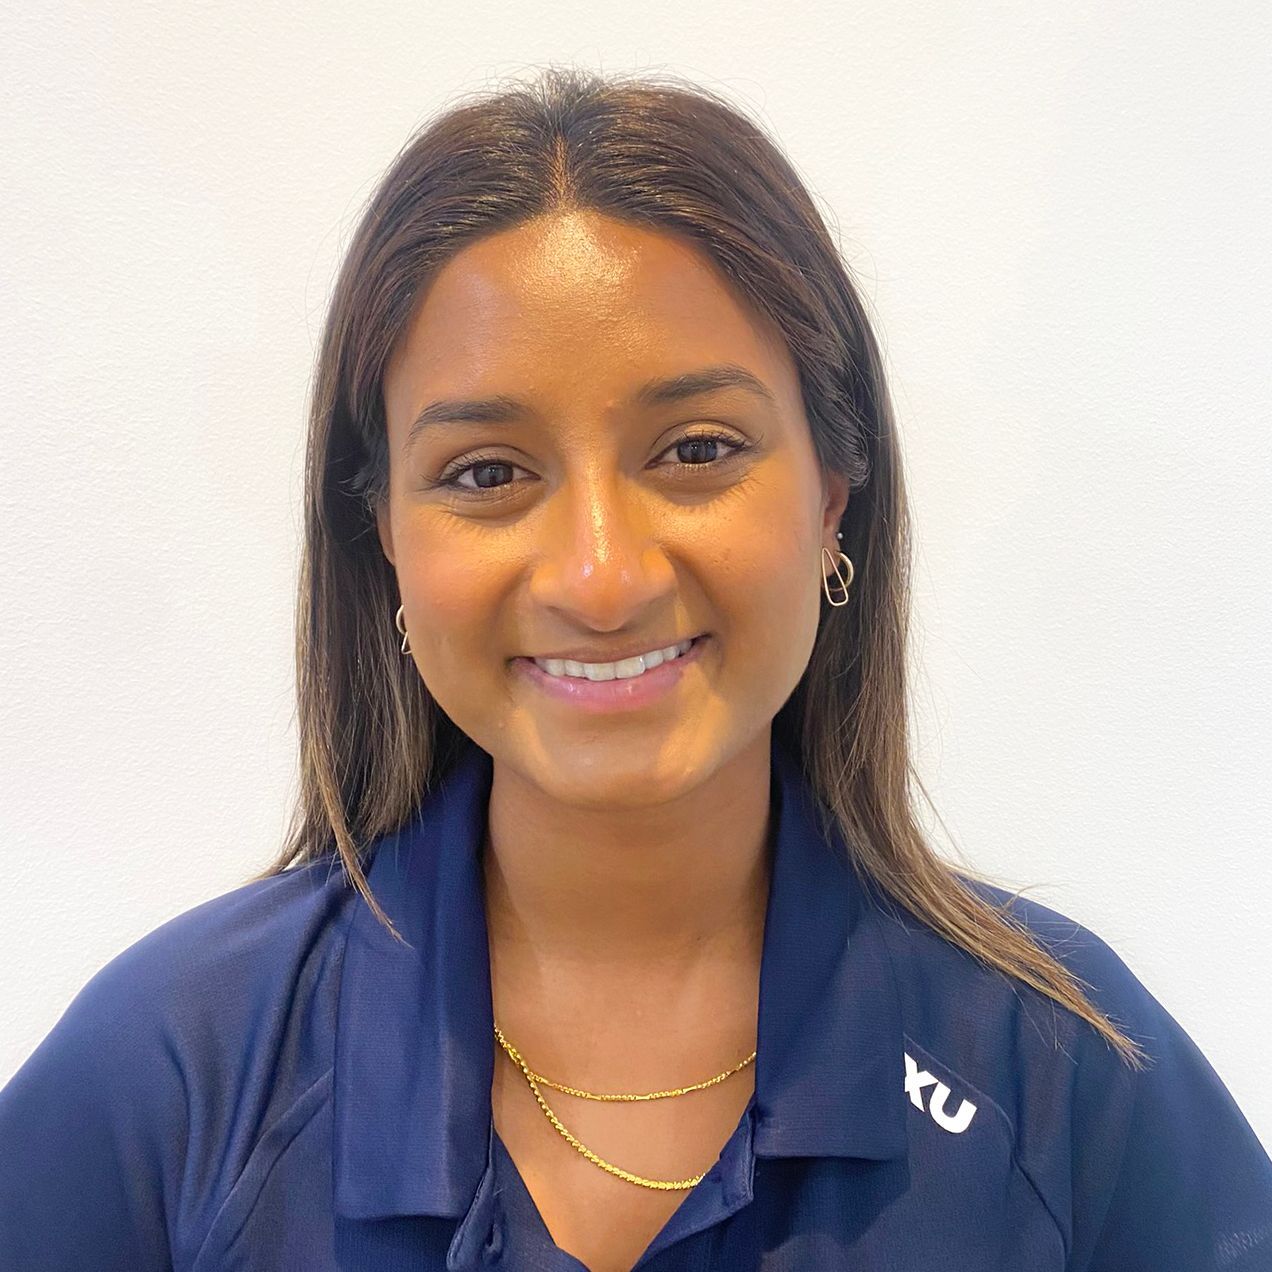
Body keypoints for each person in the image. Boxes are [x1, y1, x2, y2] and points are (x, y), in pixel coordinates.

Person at [1, 65, 1270, 1272]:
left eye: (697, 448)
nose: (600, 579)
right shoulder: (174, 1075)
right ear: (384, 536)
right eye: (488, 473)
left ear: (833, 496)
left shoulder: (1063, 1071)